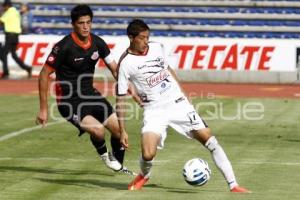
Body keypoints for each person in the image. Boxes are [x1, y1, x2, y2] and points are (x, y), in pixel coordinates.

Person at [116, 19, 250, 192]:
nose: (146, 41)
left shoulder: (157, 47)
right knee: (148, 154)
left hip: (178, 104)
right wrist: (122, 130)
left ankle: (234, 185)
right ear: (131, 38)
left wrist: (184, 94)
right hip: (154, 110)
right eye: (142, 38)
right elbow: (120, 98)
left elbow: (169, 70)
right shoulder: (125, 63)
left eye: (147, 37)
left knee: (210, 140)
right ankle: (144, 175)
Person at [35, 4, 134, 175]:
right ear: (73, 24)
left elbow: (114, 68)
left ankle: (119, 166)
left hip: (90, 94)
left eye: (88, 22)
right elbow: (44, 75)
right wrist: (43, 109)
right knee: (98, 130)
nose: (86, 26)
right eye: (81, 23)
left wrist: (133, 90)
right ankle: (105, 156)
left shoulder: (98, 43)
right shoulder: (63, 47)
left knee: (118, 129)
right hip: (69, 101)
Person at [0, 0, 32, 79]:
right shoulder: (16, 12)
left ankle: (6, 73)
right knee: (14, 55)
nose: (3, 7)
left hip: (10, 36)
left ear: (7, 6)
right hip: (16, 37)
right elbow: (21, 12)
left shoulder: (8, 12)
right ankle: (27, 68)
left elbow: (1, 21)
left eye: (4, 6)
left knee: (3, 54)